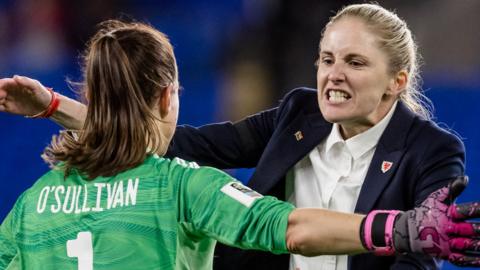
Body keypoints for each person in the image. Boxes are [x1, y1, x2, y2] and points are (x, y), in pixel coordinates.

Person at [0, 5, 479, 270]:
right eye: (326, 59)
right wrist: (397, 229)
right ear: (169, 97)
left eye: (354, 62)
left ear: (398, 79)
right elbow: (287, 227)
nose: (333, 75)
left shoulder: (29, 206)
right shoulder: (187, 185)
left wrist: (53, 108)